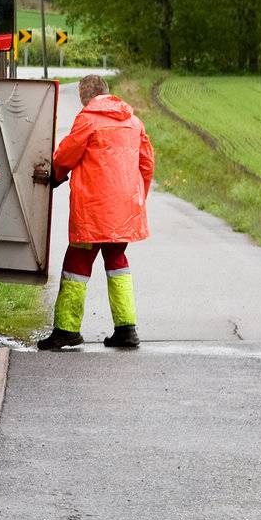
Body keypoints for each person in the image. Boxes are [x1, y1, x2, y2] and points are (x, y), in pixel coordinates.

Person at [38, 73, 154, 351]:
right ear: (107, 92)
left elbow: (66, 155)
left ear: (83, 94)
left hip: (93, 210)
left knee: (77, 263)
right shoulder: (134, 122)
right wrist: (136, 199)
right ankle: (126, 329)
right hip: (124, 209)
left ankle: (66, 329)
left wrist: (55, 175)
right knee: (117, 260)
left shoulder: (88, 119)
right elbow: (147, 164)